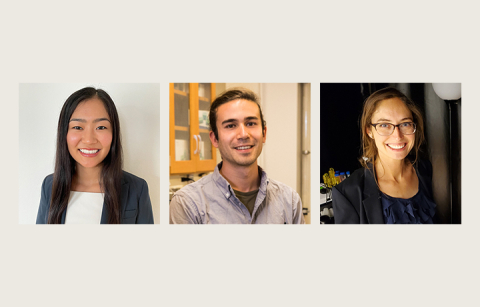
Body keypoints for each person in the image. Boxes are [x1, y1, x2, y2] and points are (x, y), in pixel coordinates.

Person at [170, 88, 304, 224]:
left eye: (251, 123)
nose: (244, 134)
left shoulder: (290, 201)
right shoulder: (188, 204)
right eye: (231, 125)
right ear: (214, 139)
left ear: (264, 133)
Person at [36, 87, 154, 224]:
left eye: (101, 127)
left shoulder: (137, 189)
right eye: (78, 127)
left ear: (113, 133)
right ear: (64, 134)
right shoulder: (50, 186)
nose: (89, 140)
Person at [332, 87, 436, 224]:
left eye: (405, 124)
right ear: (369, 131)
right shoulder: (347, 193)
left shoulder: (425, 170)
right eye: (384, 125)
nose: (397, 136)